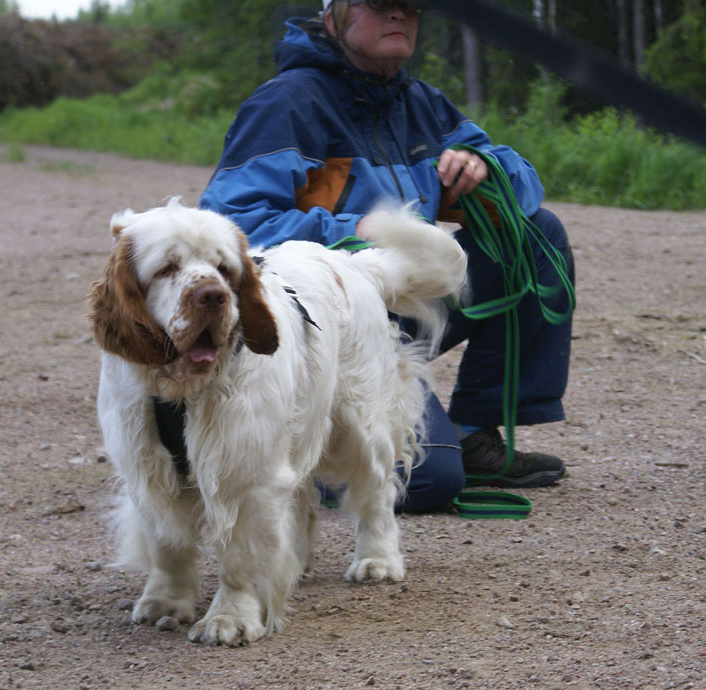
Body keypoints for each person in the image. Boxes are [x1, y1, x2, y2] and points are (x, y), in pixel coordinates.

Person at [200, 0, 575, 513]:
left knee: (536, 237)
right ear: (335, 14)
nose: (399, 16)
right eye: (381, 4)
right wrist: (354, 233)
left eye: (412, 8)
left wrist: (485, 168)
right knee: (428, 484)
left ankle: (470, 434)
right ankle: (308, 455)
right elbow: (231, 225)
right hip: (329, 331)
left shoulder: (421, 103)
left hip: (401, 304)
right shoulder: (287, 103)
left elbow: (525, 187)